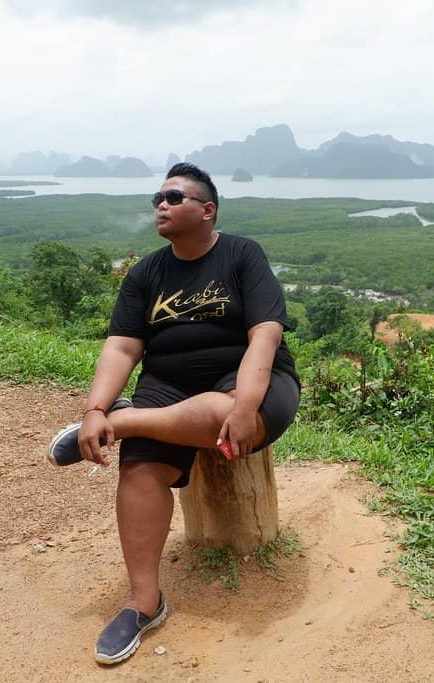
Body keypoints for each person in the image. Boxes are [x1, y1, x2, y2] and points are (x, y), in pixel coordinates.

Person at [46, 162, 300, 665]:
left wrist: (245, 406)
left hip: (250, 379)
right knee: (139, 471)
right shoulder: (146, 273)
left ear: (208, 210)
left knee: (219, 414)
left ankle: (123, 422)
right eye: (157, 198)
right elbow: (121, 347)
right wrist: (94, 405)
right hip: (166, 385)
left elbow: (264, 337)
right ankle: (144, 603)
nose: (161, 204)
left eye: (174, 197)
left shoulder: (242, 255)